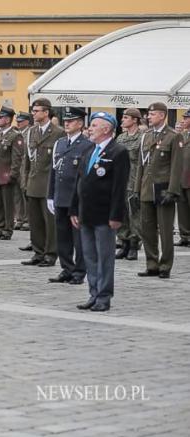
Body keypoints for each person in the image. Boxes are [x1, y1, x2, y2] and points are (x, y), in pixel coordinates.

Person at [70, 112, 130, 312]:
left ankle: (104, 296)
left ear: (106, 129)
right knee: (89, 256)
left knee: (104, 257)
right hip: (85, 213)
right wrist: (73, 209)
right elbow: (79, 183)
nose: (90, 128)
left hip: (105, 215)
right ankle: (93, 293)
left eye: (94, 125)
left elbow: (119, 187)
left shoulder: (118, 152)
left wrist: (116, 215)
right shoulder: (88, 151)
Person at [135, 101, 182, 278]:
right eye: (148, 114)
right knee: (147, 229)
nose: (148, 116)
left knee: (165, 230)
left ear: (162, 115)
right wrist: (136, 188)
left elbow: (176, 166)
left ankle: (165, 266)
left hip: (163, 189)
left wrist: (173, 190)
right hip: (147, 188)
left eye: (152, 114)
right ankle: (151, 263)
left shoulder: (173, 136)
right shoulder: (146, 136)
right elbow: (141, 164)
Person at [47, 107, 92, 284]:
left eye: (71, 121)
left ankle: (80, 272)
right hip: (60, 196)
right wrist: (50, 195)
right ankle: (67, 268)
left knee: (78, 238)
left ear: (80, 124)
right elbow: (53, 171)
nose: (66, 123)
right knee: (62, 237)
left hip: (77, 199)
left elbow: (86, 176)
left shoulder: (87, 145)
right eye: (65, 121)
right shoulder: (60, 143)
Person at [22, 98, 64, 267]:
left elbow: (59, 161)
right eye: (33, 110)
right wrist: (24, 181)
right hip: (33, 181)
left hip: (48, 182)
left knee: (50, 222)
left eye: (37, 110)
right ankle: (38, 252)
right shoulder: (31, 131)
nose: (33, 113)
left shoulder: (57, 132)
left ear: (46, 112)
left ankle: (50, 253)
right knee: (35, 221)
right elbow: (27, 160)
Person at [0, 106, 24, 241]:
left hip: (7, 174)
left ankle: (7, 230)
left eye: (0, 117)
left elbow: (17, 157)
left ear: (8, 120)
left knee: (8, 204)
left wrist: (13, 175)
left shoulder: (15, 135)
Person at [115, 108, 143, 260]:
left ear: (135, 120)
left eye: (126, 117)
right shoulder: (120, 138)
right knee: (122, 213)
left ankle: (133, 244)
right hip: (121, 179)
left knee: (134, 214)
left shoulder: (142, 137)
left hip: (134, 179)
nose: (122, 120)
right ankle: (123, 242)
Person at [14, 112, 33, 233]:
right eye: (17, 121)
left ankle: (27, 220)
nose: (18, 123)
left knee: (25, 193)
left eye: (21, 121)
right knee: (17, 194)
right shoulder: (17, 134)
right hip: (17, 167)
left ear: (27, 121)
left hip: (26, 167)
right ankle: (19, 218)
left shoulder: (30, 133)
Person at [174, 110, 190, 248]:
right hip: (181, 177)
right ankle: (185, 236)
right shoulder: (181, 135)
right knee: (182, 208)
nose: (183, 120)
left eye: (186, 118)